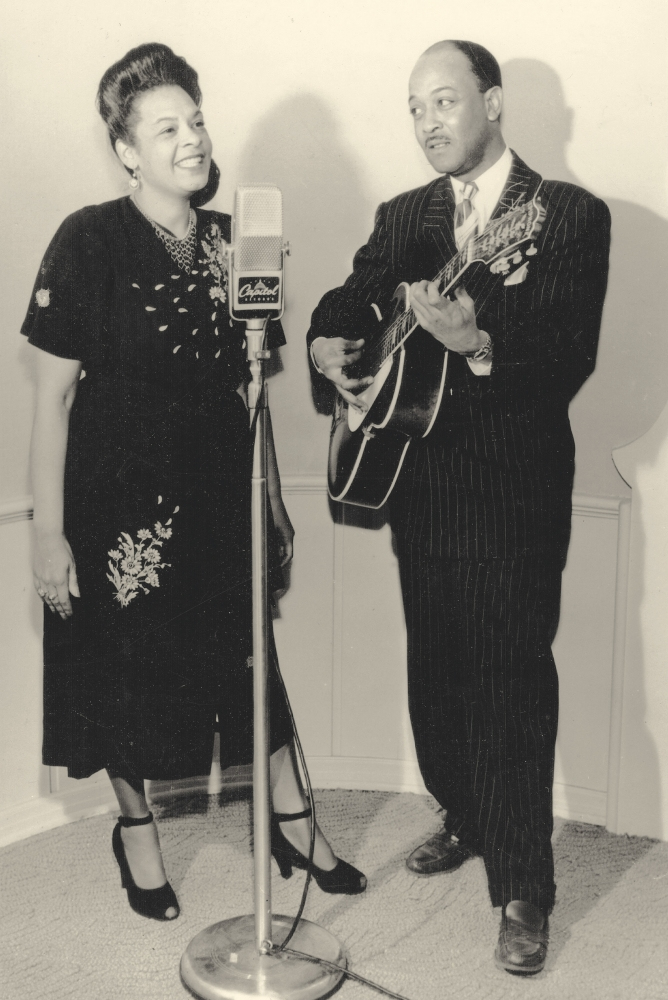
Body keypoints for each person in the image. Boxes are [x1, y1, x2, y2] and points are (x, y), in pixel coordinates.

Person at [23, 42, 366, 924]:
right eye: (167, 127)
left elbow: (254, 389)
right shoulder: (87, 239)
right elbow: (52, 400)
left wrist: (274, 500)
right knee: (125, 679)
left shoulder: (233, 240)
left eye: (198, 121)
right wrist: (47, 533)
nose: (193, 139)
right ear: (127, 150)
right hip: (119, 514)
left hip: (222, 499)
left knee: (254, 667)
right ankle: (136, 831)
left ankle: (293, 820)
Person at [307, 40, 610, 974]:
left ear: (494, 101)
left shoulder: (563, 215)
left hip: (511, 491)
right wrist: (327, 343)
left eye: (443, 100)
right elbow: (352, 297)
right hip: (419, 485)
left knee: (509, 684)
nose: (427, 121)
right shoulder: (406, 215)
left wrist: (477, 344)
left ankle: (524, 888)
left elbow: (566, 356)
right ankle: (467, 814)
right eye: (415, 107)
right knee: (436, 674)